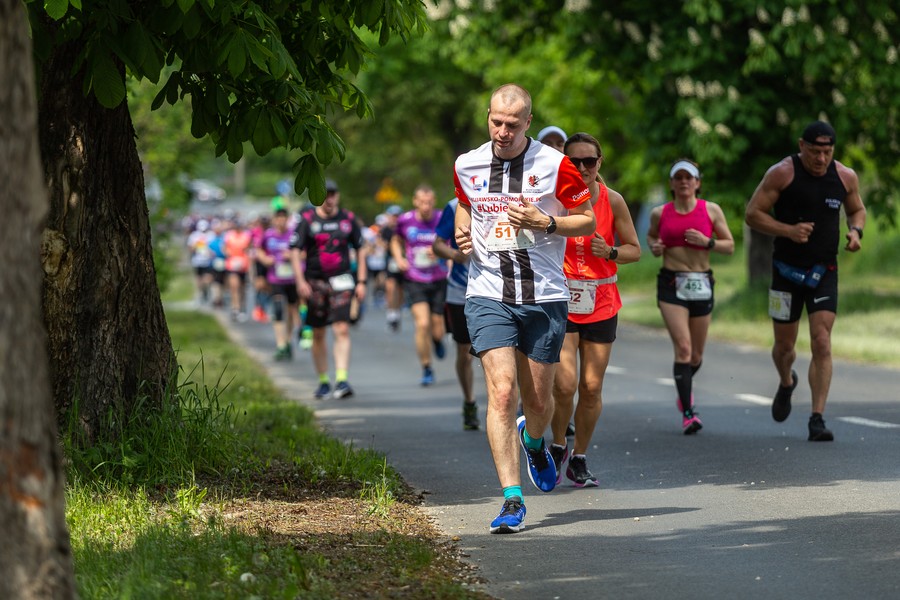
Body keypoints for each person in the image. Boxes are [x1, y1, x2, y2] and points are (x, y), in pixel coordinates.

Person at [454, 83, 595, 534]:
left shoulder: (557, 166)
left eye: (512, 125)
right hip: (487, 291)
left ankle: (534, 442)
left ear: (528, 123)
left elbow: (587, 219)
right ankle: (512, 500)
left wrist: (548, 222)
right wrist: (462, 234)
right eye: (495, 121)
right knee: (501, 392)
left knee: (540, 400)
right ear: (488, 116)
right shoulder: (467, 164)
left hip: (544, 295)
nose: (502, 131)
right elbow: (465, 206)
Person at [745, 120, 866, 442]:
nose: (821, 158)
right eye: (815, 151)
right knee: (784, 347)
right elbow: (752, 213)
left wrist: (856, 232)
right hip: (785, 272)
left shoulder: (845, 176)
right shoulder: (782, 173)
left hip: (824, 271)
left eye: (827, 152)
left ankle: (817, 418)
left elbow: (857, 210)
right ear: (802, 146)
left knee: (822, 340)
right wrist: (787, 230)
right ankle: (786, 381)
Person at [549, 133, 641, 488]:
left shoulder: (613, 200)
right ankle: (558, 445)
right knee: (565, 384)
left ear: (600, 162)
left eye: (590, 161)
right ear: (565, 164)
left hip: (601, 302)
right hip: (562, 300)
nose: (584, 168)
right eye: (576, 162)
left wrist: (611, 253)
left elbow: (634, 249)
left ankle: (579, 456)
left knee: (590, 387)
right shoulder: (555, 200)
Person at [647, 158, 735, 435]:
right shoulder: (660, 213)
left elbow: (729, 245)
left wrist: (708, 242)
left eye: (689, 177)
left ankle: (683, 388)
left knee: (696, 356)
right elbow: (650, 237)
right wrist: (656, 246)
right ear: (672, 183)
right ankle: (688, 412)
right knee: (683, 348)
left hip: (701, 283)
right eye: (679, 178)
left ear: (697, 182)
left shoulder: (711, 210)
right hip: (672, 283)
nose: (684, 182)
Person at [290, 179, 368, 400]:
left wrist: (361, 281)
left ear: (338, 196)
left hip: (342, 280)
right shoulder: (307, 220)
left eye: (333, 194)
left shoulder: (348, 219)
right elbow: (295, 250)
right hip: (315, 282)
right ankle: (324, 381)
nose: (329, 199)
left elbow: (361, 249)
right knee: (318, 332)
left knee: (342, 328)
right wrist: (300, 281)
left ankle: (342, 380)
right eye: (325, 194)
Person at [391, 185, 449, 386]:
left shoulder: (442, 217)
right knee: (422, 324)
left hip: (439, 278)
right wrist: (399, 258)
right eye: (422, 202)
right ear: (415, 202)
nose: (426, 206)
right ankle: (426, 367)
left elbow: (451, 242)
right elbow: (395, 240)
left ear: (434, 202)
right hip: (415, 278)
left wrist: (440, 252)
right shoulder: (405, 220)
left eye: (430, 202)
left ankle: (437, 340)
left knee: (437, 328)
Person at [433, 197, 479, 430]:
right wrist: (454, 255)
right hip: (461, 291)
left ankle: (518, 407)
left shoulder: (505, 196)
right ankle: (469, 401)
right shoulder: (453, 206)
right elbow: (437, 244)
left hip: (497, 290)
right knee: (464, 352)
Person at [258, 208, 300, 360]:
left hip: (292, 278)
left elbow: (304, 252)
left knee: (290, 310)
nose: (281, 220)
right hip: (275, 278)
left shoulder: (294, 235)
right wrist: (265, 260)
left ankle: (288, 340)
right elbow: (259, 251)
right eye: (278, 217)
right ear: (274, 219)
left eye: (284, 217)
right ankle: (280, 344)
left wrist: (292, 255)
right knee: (277, 309)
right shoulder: (268, 235)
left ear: (287, 219)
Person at [382, 204, 405, 331]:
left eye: (397, 216)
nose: (395, 219)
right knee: (390, 287)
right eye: (393, 216)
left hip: (403, 262)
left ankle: (397, 311)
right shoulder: (386, 230)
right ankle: (391, 313)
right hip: (391, 262)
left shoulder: (404, 228)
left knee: (400, 289)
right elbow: (382, 244)